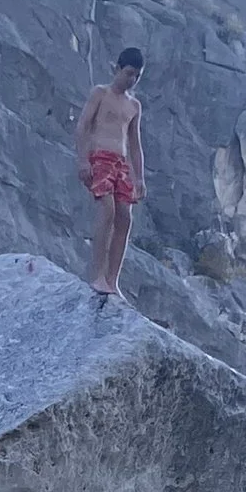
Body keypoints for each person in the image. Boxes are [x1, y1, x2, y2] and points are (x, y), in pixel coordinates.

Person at [74, 47, 146, 305]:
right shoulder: (101, 94)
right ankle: (97, 275)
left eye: (137, 76)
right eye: (128, 73)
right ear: (117, 68)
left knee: (125, 218)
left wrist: (139, 177)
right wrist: (83, 160)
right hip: (100, 157)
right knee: (107, 211)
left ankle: (113, 280)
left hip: (121, 163)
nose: (132, 80)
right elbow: (82, 126)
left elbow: (135, 144)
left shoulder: (134, 106)